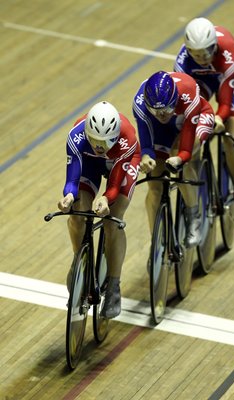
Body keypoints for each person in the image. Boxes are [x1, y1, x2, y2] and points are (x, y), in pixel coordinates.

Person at [58, 101, 141, 319]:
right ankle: (80, 261)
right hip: (91, 164)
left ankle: (114, 286)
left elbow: (113, 187)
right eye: (94, 140)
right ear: (86, 133)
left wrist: (106, 198)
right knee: (77, 214)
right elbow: (72, 180)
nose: (99, 146)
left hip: (122, 163)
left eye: (105, 142)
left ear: (115, 135)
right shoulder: (76, 136)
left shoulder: (127, 138)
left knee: (113, 219)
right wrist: (68, 196)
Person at [174, 17, 234, 228]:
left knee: (231, 137)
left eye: (206, 53)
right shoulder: (182, 61)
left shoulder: (227, 50)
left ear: (214, 46)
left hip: (232, 81)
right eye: (196, 55)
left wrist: (218, 118)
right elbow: (187, 101)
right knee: (187, 128)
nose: (201, 58)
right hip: (202, 83)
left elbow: (225, 101)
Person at [133, 70, 214, 247]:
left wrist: (179, 159)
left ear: (175, 99)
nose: (162, 114)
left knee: (179, 163)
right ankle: (157, 244)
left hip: (194, 119)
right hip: (163, 130)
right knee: (155, 185)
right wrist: (146, 157)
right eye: (156, 111)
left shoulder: (188, 92)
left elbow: (184, 150)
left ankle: (194, 217)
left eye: (167, 109)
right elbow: (146, 145)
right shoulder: (140, 104)